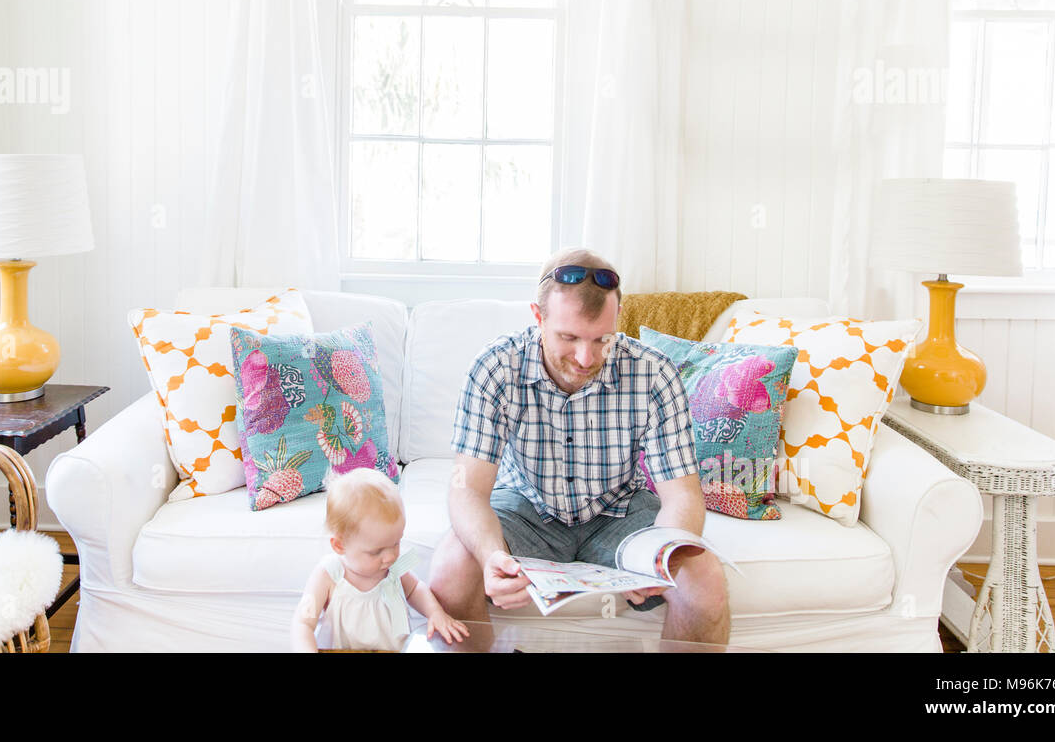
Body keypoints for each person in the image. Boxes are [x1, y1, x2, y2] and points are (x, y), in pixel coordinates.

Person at [428, 247, 731, 645]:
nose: (586, 357)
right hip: (525, 506)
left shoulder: (654, 373)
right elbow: (466, 488)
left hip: (618, 509)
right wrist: (491, 557)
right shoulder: (495, 367)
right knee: (450, 569)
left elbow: (683, 495)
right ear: (538, 318)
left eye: (602, 339)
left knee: (704, 579)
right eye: (568, 337)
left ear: (617, 319)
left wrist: (655, 560)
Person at [291, 467, 469, 652]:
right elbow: (303, 622)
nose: (391, 556)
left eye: (396, 543)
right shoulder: (329, 574)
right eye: (376, 552)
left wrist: (435, 613)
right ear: (340, 545)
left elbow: (416, 589)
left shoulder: (395, 567)